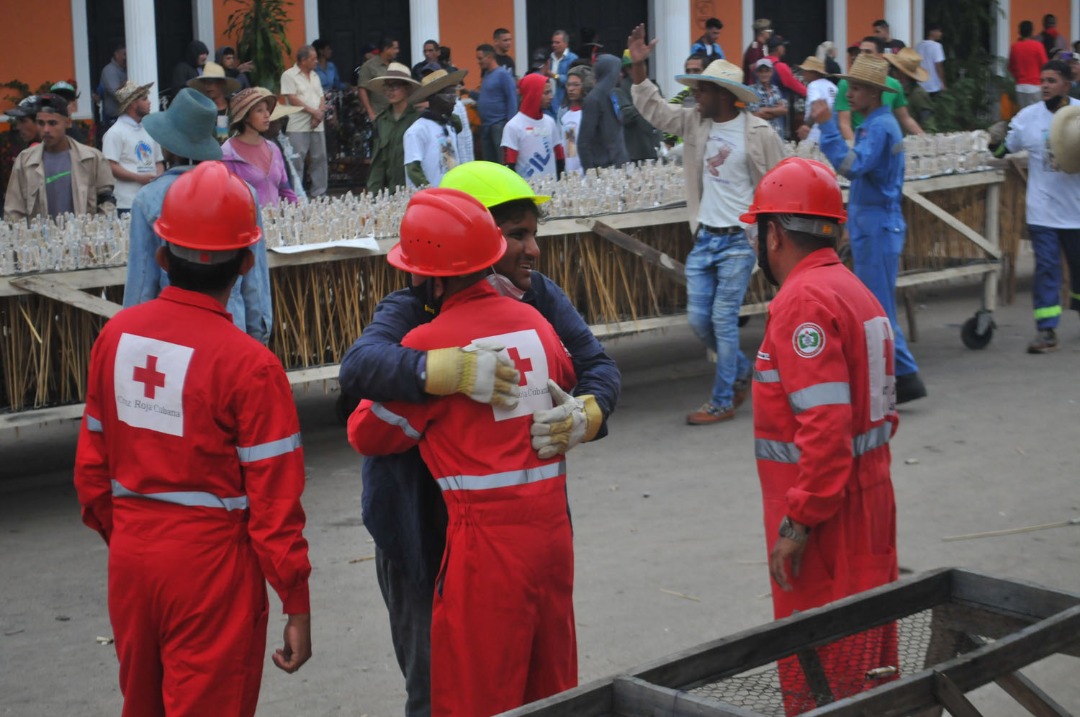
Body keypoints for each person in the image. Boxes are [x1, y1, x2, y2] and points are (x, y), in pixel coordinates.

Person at [338, 159, 619, 717]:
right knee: (438, 686)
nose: (533, 250)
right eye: (517, 235)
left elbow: (598, 367)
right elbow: (359, 367)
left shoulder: (536, 299)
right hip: (421, 530)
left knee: (508, 691)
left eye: (533, 234)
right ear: (476, 238)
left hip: (495, 538)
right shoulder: (413, 308)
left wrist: (589, 414)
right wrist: (436, 370)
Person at [74, 160, 312, 717]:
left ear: (162, 256)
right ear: (247, 263)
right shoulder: (250, 365)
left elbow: (91, 472)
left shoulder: (115, 337)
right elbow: (275, 506)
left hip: (133, 557)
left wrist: (135, 538)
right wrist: (295, 601)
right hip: (211, 567)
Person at [743, 156, 899, 716]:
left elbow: (826, 429)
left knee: (828, 671)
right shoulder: (853, 290)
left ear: (775, 234)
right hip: (867, 499)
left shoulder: (802, 301)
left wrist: (799, 522)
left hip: (828, 519)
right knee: (872, 661)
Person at [628, 25, 784, 424]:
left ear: (723, 95)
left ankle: (721, 401)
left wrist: (772, 236)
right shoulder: (696, 123)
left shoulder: (759, 132)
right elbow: (655, 110)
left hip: (740, 241)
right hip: (706, 239)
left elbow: (782, 182)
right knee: (698, 321)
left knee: (723, 320)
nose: (695, 96)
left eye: (701, 90)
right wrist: (639, 68)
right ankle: (742, 372)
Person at [813, 54, 927, 402]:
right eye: (850, 86)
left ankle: (901, 377)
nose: (849, 93)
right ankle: (901, 377)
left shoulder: (878, 127)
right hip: (874, 223)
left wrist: (828, 128)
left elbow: (853, 166)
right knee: (876, 307)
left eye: (857, 88)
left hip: (877, 225)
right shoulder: (878, 123)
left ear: (875, 93)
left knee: (877, 309)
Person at [124, 88, 272, 343]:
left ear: (167, 147)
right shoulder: (243, 193)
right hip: (232, 331)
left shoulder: (148, 199)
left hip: (172, 336)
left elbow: (142, 283)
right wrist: (259, 336)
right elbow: (254, 280)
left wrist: (133, 340)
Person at [999, 60, 1080, 353]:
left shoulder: (1079, 113)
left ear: (1067, 85)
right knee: (1046, 267)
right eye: (1042, 80)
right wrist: (995, 140)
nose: (1044, 85)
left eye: (1052, 80)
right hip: (1042, 211)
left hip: (1076, 212)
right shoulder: (1027, 117)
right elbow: (1004, 148)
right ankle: (1046, 330)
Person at [4, 94, 115, 222]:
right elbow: (13, 211)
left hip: (83, 234)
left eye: (52, 123)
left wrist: (94, 230)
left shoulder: (92, 159)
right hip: (40, 234)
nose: (46, 129)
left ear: (67, 123)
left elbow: (107, 203)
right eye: (41, 123)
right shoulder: (25, 161)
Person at [834, 37, 924, 140]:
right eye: (860, 52)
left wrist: (925, 140)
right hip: (860, 139)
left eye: (868, 52)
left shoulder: (894, 84)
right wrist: (856, 146)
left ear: (881, 56)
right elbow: (844, 124)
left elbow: (905, 118)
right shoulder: (846, 83)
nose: (862, 55)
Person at [222, 87, 299, 207]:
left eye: (267, 110)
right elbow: (226, 197)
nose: (267, 115)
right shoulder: (228, 154)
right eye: (259, 111)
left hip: (275, 217)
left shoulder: (273, 149)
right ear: (245, 117)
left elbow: (285, 190)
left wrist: (298, 209)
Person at [102, 81, 163, 214]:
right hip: (127, 202)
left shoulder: (150, 129)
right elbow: (110, 165)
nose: (149, 102)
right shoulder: (115, 132)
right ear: (133, 104)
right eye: (144, 99)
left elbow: (158, 162)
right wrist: (138, 178)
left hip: (151, 200)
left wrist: (158, 178)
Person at [403, 69, 467, 187]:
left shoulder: (449, 125)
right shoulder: (417, 131)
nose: (454, 102)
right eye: (449, 96)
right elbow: (413, 170)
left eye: (454, 96)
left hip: (450, 192)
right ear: (433, 98)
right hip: (429, 195)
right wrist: (430, 191)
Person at [364, 63, 421, 193]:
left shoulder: (417, 120)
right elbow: (378, 162)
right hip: (390, 191)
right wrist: (373, 193)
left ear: (407, 88)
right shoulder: (382, 121)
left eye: (395, 86)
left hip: (413, 189)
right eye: (387, 86)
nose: (390, 91)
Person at [280, 45, 328, 198]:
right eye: (313, 59)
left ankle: (319, 193)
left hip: (317, 124)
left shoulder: (315, 76)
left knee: (319, 158)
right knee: (297, 160)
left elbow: (321, 97)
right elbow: (292, 98)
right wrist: (314, 112)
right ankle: (296, 195)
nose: (316, 61)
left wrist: (319, 114)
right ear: (303, 60)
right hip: (297, 125)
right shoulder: (289, 75)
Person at [502, 74, 565, 178]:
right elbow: (509, 165)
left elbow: (559, 156)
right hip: (526, 187)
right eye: (546, 93)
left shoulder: (550, 122)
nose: (551, 97)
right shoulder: (513, 126)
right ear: (533, 94)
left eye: (550, 92)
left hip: (551, 186)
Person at [578, 54, 630, 170]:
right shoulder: (593, 100)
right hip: (604, 169)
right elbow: (584, 142)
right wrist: (591, 173)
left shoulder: (612, 95)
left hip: (619, 167)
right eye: (618, 71)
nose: (621, 75)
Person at [476, 44, 518, 162]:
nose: (478, 62)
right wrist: (468, 93)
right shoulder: (486, 75)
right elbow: (486, 97)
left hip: (499, 125)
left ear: (489, 57)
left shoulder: (503, 74)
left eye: (480, 58)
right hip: (486, 125)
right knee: (490, 162)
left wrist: (510, 125)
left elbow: (512, 99)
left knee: (502, 160)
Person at [617, 52, 660, 162]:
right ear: (628, 69)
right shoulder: (621, 90)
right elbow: (625, 116)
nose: (643, 69)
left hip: (656, 148)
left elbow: (663, 113)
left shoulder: (653, 86)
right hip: (635, 153)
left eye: (643, 65)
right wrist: (643, 102)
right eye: (638, 66)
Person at [187, 61, 242, 144]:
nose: (207, 86)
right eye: (204, 82)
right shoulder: (200, 111)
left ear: (221, 83)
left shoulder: (236, 108)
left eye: (211, 81)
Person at [885, 48, 936, 133]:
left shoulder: (918, 94)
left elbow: (929, 126)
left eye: (893, 68)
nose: (890, 72)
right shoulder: (890, 89)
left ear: (900, 73)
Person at [795, 56, 837, 144]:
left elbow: (816, 107)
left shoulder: (814, 85)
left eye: (805, 71)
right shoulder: (833, 86)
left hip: (816, 134)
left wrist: (807, 126)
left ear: (813, 73)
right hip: (832, 133)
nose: (803, 74)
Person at [560, 65, 592, 175]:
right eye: (568, 85)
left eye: (576, 85)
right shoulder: (566, 119)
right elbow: (571, 153)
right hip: (575, 178)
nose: (571, 89)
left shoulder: (592, 115)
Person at [358, 38, 401, 121]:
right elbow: (362, 89)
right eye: (395, 48)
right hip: (378, 113)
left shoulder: (396, 65)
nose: (397, 51)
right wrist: (370, 112)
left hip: (395, 113)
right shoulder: (369, 66)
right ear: (386, 49)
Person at [1010, 21, 1049, 110]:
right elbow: (1045, 65)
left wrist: (1017, 77)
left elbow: (1011, 67)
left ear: (1019, 31)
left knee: (1023, 113)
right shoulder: (1038, 46)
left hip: (1020, 86)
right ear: (1031, 31)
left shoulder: (1015, 47)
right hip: (1035, 86)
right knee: (1037, 112)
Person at [748, 59, 789, 139]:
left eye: (767, 71)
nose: (764, 74)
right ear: (756, 73)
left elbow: (784, 110)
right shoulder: (751, 90)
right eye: (761, 71)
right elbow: (755, 115)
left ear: (772, 72)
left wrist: (765, 110)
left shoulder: (775, 89)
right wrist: (777, 111)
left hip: (777, 134)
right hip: (760, 135)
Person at [545, 30, 579, 118]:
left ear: (566, 44)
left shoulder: (573, 59)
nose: (554, 45)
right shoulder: (549, 58)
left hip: (564, 105)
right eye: (553, 42)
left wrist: (553, 75)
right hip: (549, 105)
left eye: (557, 42)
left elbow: (571, 81)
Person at [765, 35, 807, 101]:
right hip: (778, 105)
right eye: (783, 46)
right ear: (779, 48)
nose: (784, 49)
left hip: (759, 104)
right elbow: (798, 88)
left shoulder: (756, 65)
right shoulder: (780, 67)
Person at [99, 44, 127, 136]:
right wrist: (127, 84)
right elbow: (116, 93)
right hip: (115, 118)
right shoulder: (109, 70)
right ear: (116, 55)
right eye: (124, 54)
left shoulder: (125, 69)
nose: (127, 58)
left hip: (126, 117)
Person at [916, 25, 947, 96]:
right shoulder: (937, 46)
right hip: (933, 85)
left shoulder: (918, 45)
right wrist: (943, 83)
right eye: (939, 31)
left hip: (920, 83)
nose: (940, 34)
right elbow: (938, 66)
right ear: (932, 32)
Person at [742, 19, 773, 83]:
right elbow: (753, 68)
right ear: (761, 31)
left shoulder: (761, 46)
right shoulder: (755, 47)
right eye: (768, 29)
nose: (770, 32)